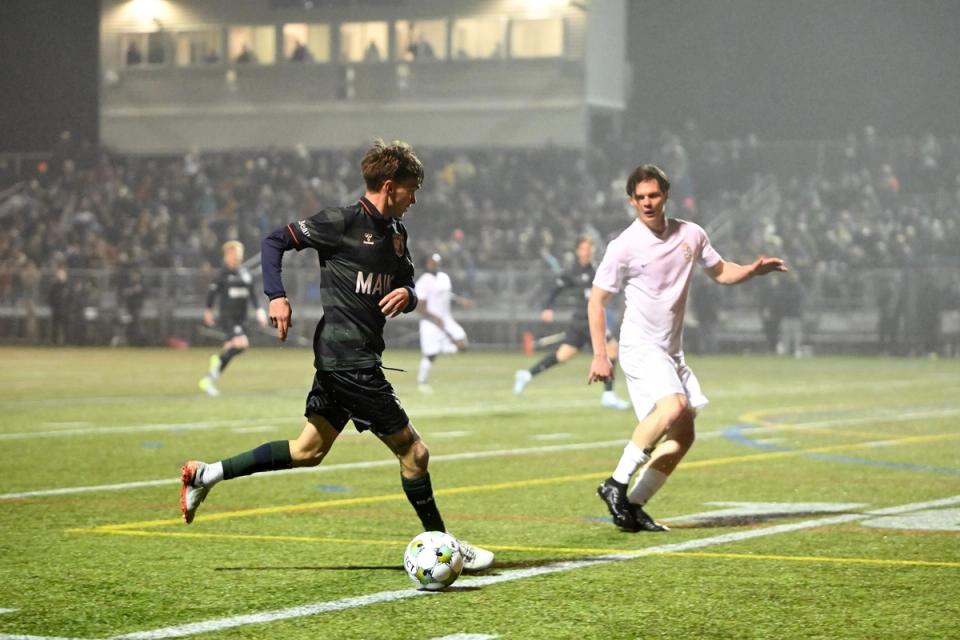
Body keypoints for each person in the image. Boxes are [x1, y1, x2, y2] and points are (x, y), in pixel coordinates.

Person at [179, 139, 494, 571]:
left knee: (308, 450)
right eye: (411, 189)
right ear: (389, 185)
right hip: (349, 360)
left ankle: (205, 474)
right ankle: (447, 547)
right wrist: (276, 296)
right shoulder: (341, 222)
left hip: (349, 358)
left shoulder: (397, 235)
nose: (415, 198)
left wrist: (409, 294)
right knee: (415, 454)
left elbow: (410, 282)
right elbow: (274, 242)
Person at [588, 164, 786, 532]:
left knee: (684, 433)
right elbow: (597, 300)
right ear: (631, 200)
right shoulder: (624, 246)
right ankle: (614, 484)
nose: (648, 203)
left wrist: (752, 270)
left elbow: (722, 271)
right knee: (674, 405)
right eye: (641, 197)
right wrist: (601, 353)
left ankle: (633, 504)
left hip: (670, 351)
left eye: (654, 195)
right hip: (639, 344)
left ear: (666, 195)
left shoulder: (690, 234)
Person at [514, 236, 631, 411]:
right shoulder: (572, 271)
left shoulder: (597, 269)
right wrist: (547, 307)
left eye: (589, 248)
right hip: (584, 320)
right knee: (612, 349)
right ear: (578, 251)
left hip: (586, 319)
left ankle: (527, 374)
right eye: (584, 248)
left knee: (563, 355)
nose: (587, 251)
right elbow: (556, 289)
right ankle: (608, 395)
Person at [198, 241, 268, 397]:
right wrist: (208, 310)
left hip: (241, 318)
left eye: (239, 253)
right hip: (228, 318)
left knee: (229, 351)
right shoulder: (221, 275)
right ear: (227, 255)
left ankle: (208, 381)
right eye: (234, 253)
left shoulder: (246, 274)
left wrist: (259, 311)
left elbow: (253, 295)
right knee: (242, 344)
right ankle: (216, 360)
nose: (237, 256)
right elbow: (212, 294)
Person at [415, 253, 469, 393]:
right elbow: (419, 306)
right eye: (432, 262)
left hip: (446, 319)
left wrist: (460, 301)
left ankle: (446, 348)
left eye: (437, 262)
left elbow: (446, 293)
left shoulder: (444, 277)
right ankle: (422, 383)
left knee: (462, 343)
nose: (435, 264)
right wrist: (434, 318)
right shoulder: (424, 280)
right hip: (430, 323)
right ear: (427, 263)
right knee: (430, 355)